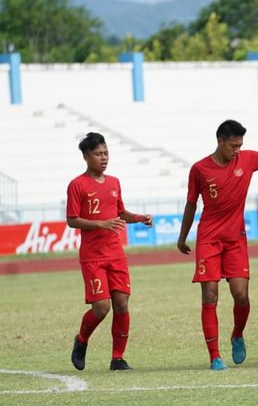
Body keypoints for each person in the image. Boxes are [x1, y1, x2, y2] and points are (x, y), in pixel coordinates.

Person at [177, 120, 258, 371]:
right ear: (220, 141)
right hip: (208, 239)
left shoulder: (247, 160)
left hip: (236, 239)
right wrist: (182, 237)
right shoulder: (199, 169)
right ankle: (215, 356)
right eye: (233, 145)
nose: (237, 150)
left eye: (240, 145)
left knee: (241, 296)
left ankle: (237, 334)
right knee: (210, 295)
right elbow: (191, 204)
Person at [67, 132, 153, 371]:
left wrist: (139, 217)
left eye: (106, 153)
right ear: (85, 156)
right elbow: (72, 220)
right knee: (101, 307)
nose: (103, 158)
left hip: (115, 253)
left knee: (122, 304)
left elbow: (121, 212)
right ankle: (81, 340)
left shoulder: (114, 182)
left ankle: (117, 358)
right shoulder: (77, 185)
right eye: (98, 154)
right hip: (93, 256)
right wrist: (101, 224)